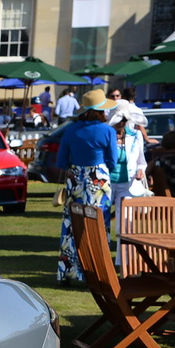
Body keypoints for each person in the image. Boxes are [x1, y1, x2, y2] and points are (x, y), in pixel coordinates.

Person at [55, 89, 118, 285]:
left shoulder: (71, 130)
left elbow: (61, 161)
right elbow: (113, 161)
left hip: (75, 177)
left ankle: (67, 272)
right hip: (98, 177)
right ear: (99, 111)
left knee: (72, 224)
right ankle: (96, 272)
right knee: (99, 224)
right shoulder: (108, 131)